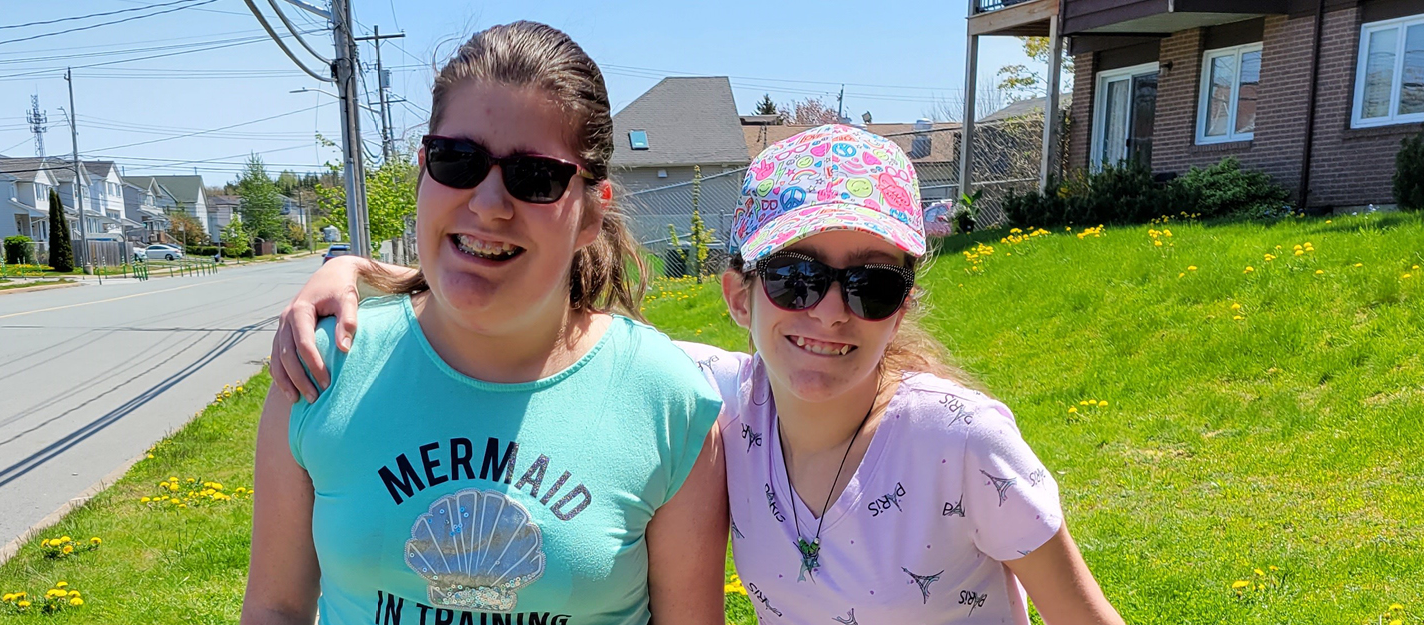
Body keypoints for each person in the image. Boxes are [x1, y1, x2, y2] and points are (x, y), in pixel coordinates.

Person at [272, 125, 1126, 624]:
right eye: (794, 277)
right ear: (735, 293)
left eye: (871, 283)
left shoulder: (962, 439)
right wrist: (360, 270)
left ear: (903, 305)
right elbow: (554, 318)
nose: (829, 313)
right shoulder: (704, 401)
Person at [242, 22, 728, 625]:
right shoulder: (321, 366)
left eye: (535, 178)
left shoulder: (666, 403)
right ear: (422, 170)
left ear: (589, 215)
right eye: (458, 160)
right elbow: (276, 607)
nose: (489, 203)